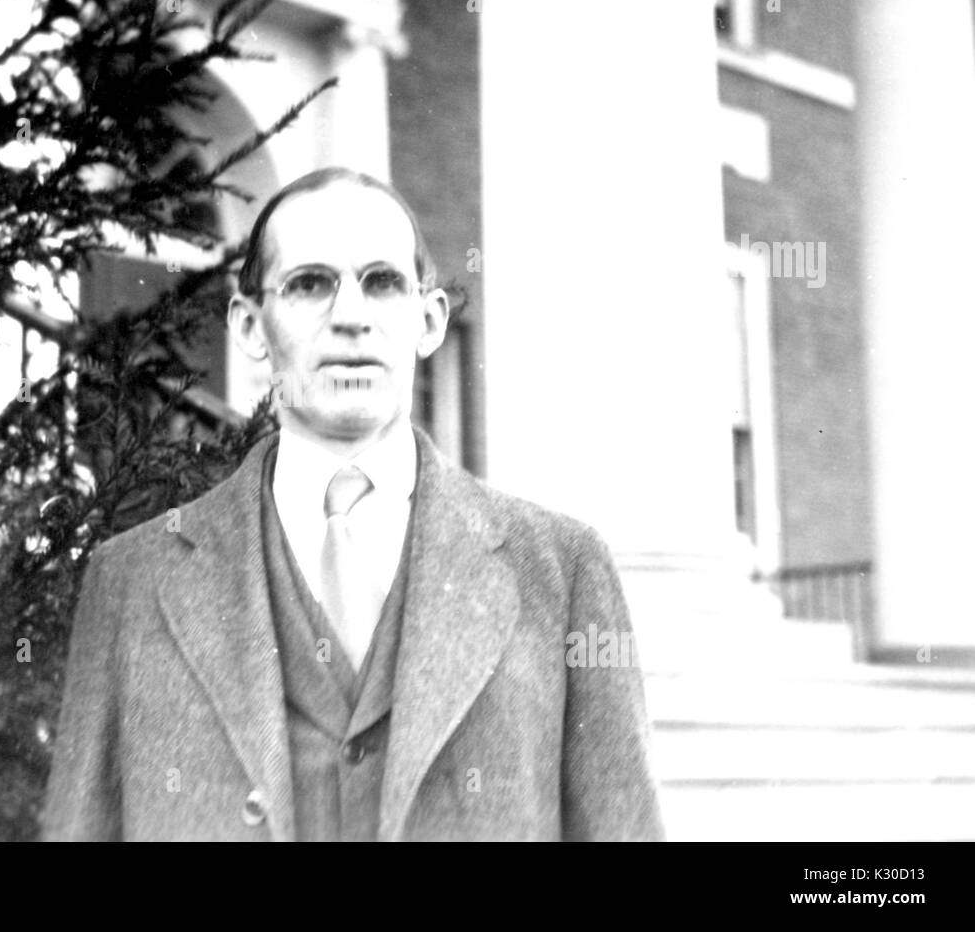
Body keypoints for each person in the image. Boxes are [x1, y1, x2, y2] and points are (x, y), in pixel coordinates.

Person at [42, 167, 664, 841]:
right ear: (251, 327)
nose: (350, 315)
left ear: (428, 322)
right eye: (310, 283)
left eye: (382, 282)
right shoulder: (130, 581)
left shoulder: (561, 571)